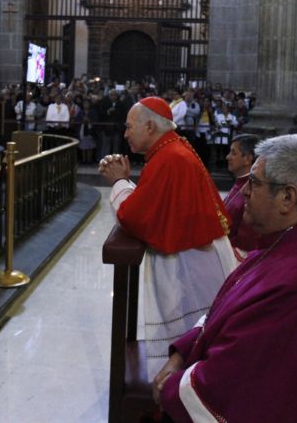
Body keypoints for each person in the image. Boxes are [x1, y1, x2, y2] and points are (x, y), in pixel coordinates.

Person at [153, 134, 297, 422]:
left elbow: (232, 378)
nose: (245, 191)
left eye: (254, 183)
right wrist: (181, 354)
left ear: (287, 197)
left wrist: (171, 387)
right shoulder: (284, 242)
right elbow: (224, 311)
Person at [98, 97, 238, 381]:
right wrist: (127, 182)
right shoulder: (171, 150)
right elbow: (156, 203)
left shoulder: (170, 158)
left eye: (128, 127)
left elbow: (135, 217)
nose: (125, 134)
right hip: (196, 258)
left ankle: (184, 387)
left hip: (190, 266)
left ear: (149, 126)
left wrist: (118, 182)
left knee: (195, 335)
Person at [223, 133, 260, 256]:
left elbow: (246, 242)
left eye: (233, 153)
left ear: (248, 159)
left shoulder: (253, 190)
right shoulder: (240, 182)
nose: (228, 157)